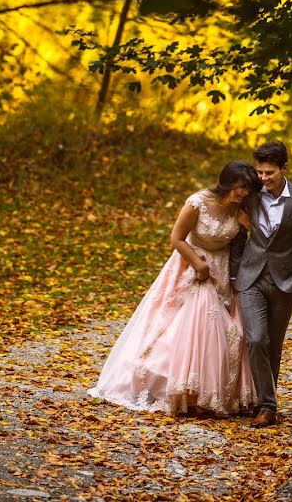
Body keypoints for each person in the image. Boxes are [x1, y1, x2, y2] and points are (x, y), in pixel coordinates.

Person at [89, 161, 259, 417]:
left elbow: (254, 239)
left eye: (248, 188)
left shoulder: (240, 210)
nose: (244, 192)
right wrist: (197, 264)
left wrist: (248, 230)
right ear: (228, 182)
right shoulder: (197, 203)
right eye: (241, 187)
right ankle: (181, 391)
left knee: (229, 331)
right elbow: (176, 238)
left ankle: (209, 394)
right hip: (193, 266)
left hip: (222, 270)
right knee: (196, 326)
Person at [230, 141, 292, 427]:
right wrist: (234, 272)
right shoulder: (251, 196)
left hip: (285, 282)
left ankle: (264, 403)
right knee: (256, 339)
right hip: (250, 277)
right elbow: (237, 234)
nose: (263, 179)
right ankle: (267, 406)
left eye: (269, 173)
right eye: (260, 173)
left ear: (284, 168)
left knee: (274, 345)